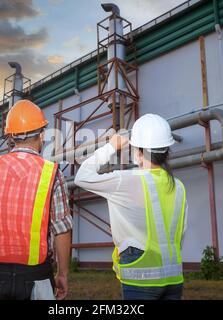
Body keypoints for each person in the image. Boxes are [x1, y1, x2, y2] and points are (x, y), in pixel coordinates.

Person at [0, 100, 73, 300]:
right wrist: (63, 273)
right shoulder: (52, 173)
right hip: (37, 276)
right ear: (42, 135)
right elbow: (62, 230)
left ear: (10, 136)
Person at [74, 113, 188, 300]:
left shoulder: (126, 180)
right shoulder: (179, 186)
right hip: (174, 279)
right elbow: (180, 234)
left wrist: (111, 146)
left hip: (141, 280)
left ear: (139, 152)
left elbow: (82, 177)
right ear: (166, 150)